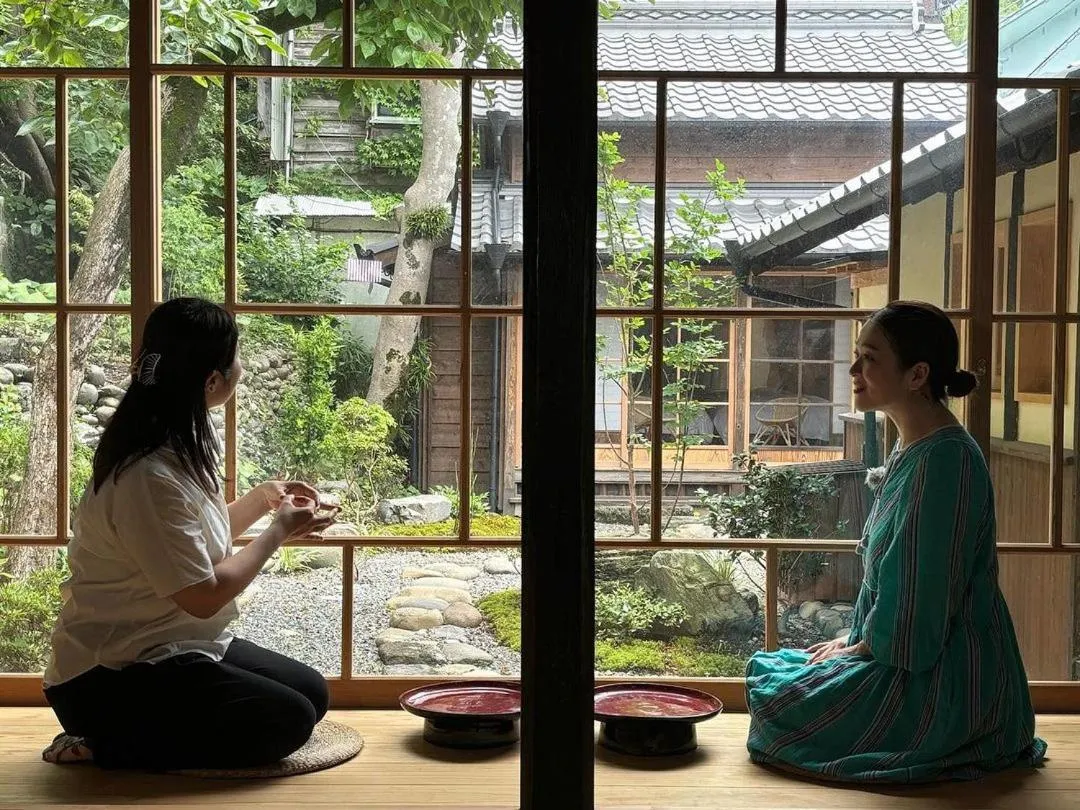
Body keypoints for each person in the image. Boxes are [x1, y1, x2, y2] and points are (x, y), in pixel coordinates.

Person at [745, 301, 1048, 783]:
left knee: (779, 701)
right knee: (772, 671)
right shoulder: (917, 446)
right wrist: (856, 638)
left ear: (917, 374)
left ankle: (956, 730)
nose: (853, 369)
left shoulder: (943, 463)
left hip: (942, 673)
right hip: (898, 647)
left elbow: (923, 596)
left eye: (869, 357)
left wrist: (863, 648)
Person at [41, 298, 338, 771]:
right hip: (108, 674)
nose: (241, 367)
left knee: (312, 693)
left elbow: (190, 542)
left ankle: (134, 731)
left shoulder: (171, 437)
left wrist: (264, 501)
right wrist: (279, 531)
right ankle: (101, 743)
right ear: (212, 381)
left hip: (171, 644)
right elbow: (203, 596)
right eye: (236, 356)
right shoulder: (146, 474)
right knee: (287, 720)